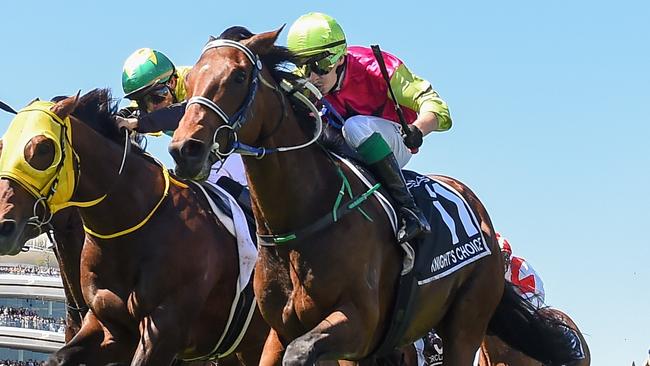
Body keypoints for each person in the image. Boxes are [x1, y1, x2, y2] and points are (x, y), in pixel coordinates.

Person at [286, 12, 452, 244]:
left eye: (321, 66)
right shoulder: (306, 80)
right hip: (345, 143)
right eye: (303, 67)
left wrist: (418, 129)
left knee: (356, 127)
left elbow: (436, 105)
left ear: (340, 58)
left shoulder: (376, 67)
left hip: (394, 141)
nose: (313, 77)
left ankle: (410, 209)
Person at [115, 47, 247, 187]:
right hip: (206, 150)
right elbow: (129, 114)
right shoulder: (153, 94)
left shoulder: (194, 81)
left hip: (237, 146)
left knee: (217, 180)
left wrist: (138, 123)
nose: (151, 108)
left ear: (172, 82)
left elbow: (182, 113)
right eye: (142, 102)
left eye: (156, 98)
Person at [497, 232, 546, 308]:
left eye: (507, 256)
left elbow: (536, 290)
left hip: (533, 295)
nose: (505, 260)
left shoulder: (520, 266)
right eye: (501, 256)